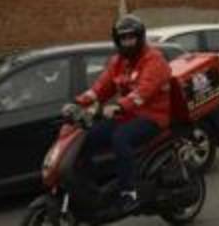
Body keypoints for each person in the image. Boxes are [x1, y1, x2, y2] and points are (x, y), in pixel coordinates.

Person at [73, 14, 172, 213]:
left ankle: (129, 193)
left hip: (152, 116)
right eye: (123, 38)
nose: (127, 42)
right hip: (129, 115)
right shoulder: (119, 61)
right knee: (87, 137)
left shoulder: (154, 60)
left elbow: (143, 91)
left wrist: (119, 106)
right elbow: (102, 86)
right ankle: (94, 187)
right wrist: (79, 102)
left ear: (140, 37)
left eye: (131, 37)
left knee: (121, 138)